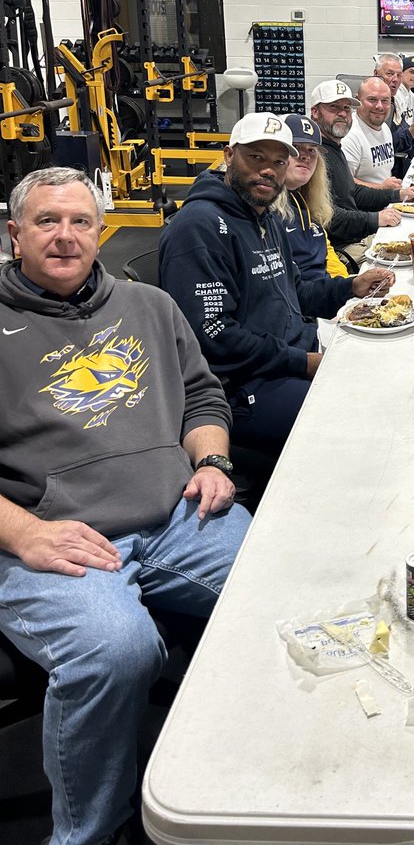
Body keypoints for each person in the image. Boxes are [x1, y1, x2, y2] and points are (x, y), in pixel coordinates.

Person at [0, 166, 251, 845]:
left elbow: (202, 397)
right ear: (14, 233)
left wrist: (211, 460)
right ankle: (88, 832)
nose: (64, 236)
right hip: (48, 534)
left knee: (272, 590)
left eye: (80, 222)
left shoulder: (149, 307)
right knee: (118, 650)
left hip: (172, 515)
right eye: (46, 221)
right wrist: (24, 534)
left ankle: (233, 785)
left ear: (100, 232)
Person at [159, 112, 394, 458]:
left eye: (279, 161)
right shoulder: (199, 228)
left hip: (287, 361)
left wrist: (350, 287)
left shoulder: (264, 216)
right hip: (241, 388)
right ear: (228, 156)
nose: (268, 170)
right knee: (360, 422)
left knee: (383, 379)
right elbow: (216, 338)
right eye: (256, 157)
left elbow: (295, 292)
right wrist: (305, 362)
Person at [309, 80, 411, 261]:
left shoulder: (334, 146)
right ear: (315, 112)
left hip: (355, 237)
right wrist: (375, 219)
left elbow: (352, 192)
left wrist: (397, 195)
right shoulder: (313, 153)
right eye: (333, 107)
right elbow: (328, 217)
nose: (342, 113)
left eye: (347, 108)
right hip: (340, 249)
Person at [279, 113, 348, 279]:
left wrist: (346, 285)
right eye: (295, 147)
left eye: (312, 150)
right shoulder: (264, 209)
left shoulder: (304, 198)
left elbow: (327, 254)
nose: (305, 156)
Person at [343, 76, 414, 190]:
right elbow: (345, 184)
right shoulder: (349, 135)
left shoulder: (385, 128)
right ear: (358, 100)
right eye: (372, 99)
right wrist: (381, 187)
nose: (379, 106)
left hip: (387, 198)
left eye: (385, 100)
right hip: (368, 205)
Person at [373, 53, 414, 179]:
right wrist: (410, 134)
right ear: (375, 74)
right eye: (390, 74)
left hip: (392, 167)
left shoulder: (394, 100)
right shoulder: (372, 106)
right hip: (383, 174)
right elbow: (381, 146)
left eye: (398, 75)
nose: (395, 79)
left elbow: (404, 129)